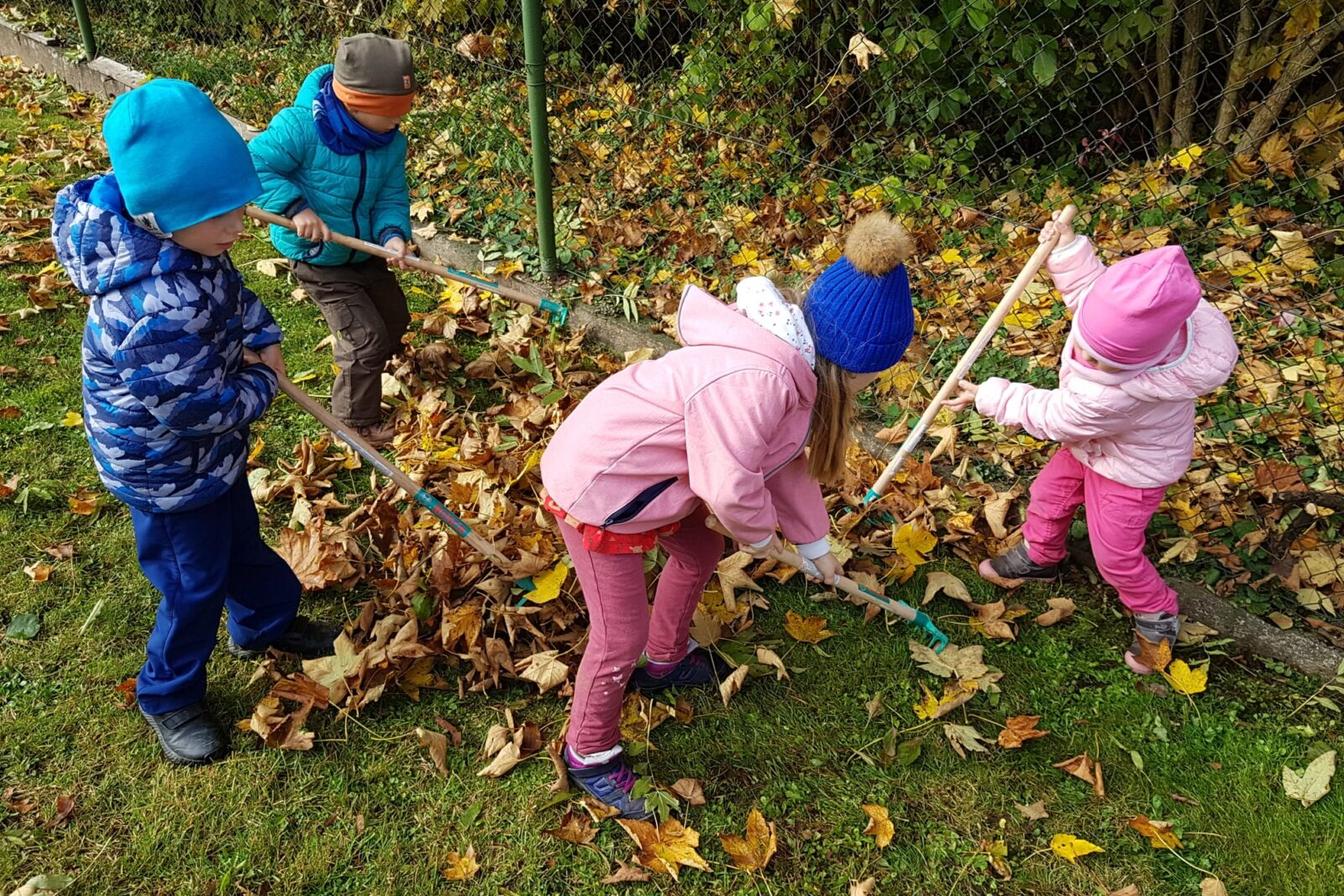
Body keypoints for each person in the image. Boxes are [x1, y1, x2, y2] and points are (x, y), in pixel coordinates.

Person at [539, 212, 918, 817]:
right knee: (617, 636)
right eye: (875, 379)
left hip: (656, 478)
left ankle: (665, 660)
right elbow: (729, 482)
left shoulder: (796, 373)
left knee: (698, 550)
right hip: (603, 488)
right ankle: (590, 752)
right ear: (852, 364)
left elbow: (783, 465)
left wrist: (815, 547)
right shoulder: (761, 381)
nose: (876, 388)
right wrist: (763, 536)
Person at [52, 80, 337, 766]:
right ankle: (169, 693)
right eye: (223, 216)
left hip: (209, 459)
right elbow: (192, 410)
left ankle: (265, 622)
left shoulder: (195, 242)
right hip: (167, 469)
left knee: (240, 537)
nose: (239, 226)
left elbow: (232, 298)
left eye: (240, 206)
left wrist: (260, 331)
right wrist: (261, 384)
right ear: (160, 213)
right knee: (191, 584)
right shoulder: (148, 306)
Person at [943, 210, 1238, 674]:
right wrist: (1066, 247)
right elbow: (1089, 291)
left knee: (1115, 554)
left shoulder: (1116, 394)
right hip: (1094, 447)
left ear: (1143, 360)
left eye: (1099, 359)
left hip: (1132, 470)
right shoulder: (1134, 323)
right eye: (1082, 343)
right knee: (1049, 494)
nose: (1081, 356)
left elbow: (1055, 415)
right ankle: (1041, 555)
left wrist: (987, 395)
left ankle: (1156, 611)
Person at [250, 33, 417, 448]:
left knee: (394, 319)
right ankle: (353, 423)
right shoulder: (300, 127)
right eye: (392, 112)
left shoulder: (390, 143)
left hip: (366, 252)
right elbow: (253, 166)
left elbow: (391, 195)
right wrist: (295, 208)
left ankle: (374, 368)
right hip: (320, 257)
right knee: (366, 339)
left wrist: (393, 236)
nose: (399, 121)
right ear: (357, 104)